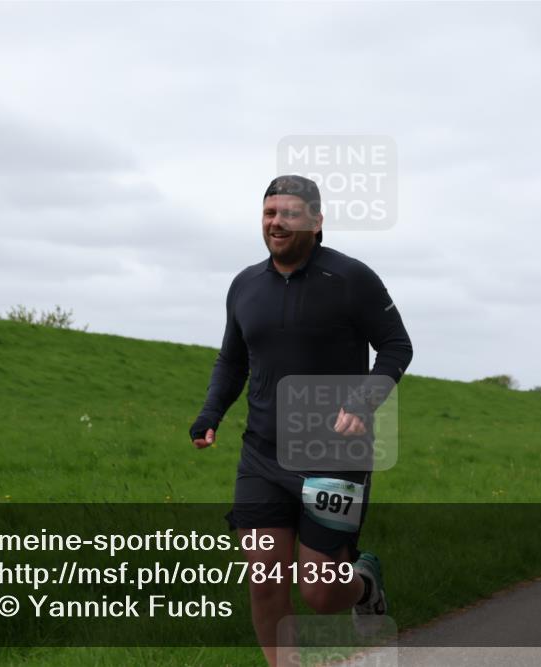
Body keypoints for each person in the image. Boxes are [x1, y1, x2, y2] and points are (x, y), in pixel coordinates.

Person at [189, 175, 413, 665]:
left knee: (319, 591)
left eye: (288, 214)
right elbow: (232, 361)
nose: (276, 223)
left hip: (334, 452)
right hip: (262, 454)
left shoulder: (352, 278)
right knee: (265, 581)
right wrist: (211, 414)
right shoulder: (245, 285)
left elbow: (397, 345)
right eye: (269, 213)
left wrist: (363, 402)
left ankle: (364, 583)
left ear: (316, 221)